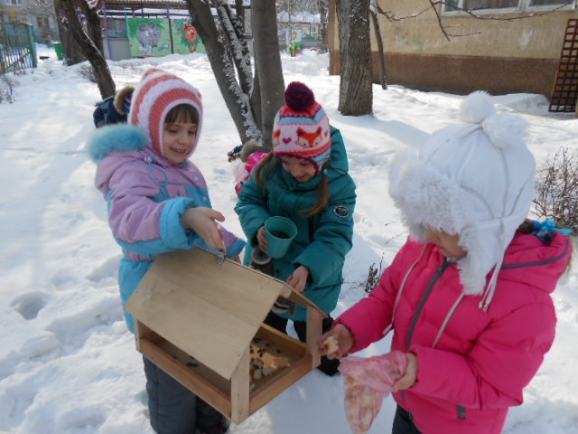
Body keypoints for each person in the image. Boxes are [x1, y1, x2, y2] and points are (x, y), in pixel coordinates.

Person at [318, 91, 573, 434]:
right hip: (408, 402)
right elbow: (389, 296)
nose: (430, 232)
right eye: (425, 217)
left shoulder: (525, 305)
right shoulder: (427, 246)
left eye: (445, 223)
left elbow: (493, 386)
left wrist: (418, 369)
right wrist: (351, 331)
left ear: (486, 228)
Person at [88, 68, 244, 434]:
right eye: (173, 130)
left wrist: (232, 247)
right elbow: (130, 223)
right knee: (173, 386)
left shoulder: (186, 170)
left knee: (207, 370)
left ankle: (212, 425)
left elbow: (202, 223)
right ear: (148, 125)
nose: (184, 140)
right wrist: (183, 215)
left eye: (192, 131)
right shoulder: (129, 169)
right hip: (156, 300)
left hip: (194, 293)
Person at [235, 81, 357, 376]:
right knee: (268, 332)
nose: (294, 172)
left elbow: (336, 236)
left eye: (304, 165)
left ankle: (324, 357)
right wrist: (259, 226)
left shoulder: (338, 186)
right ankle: (268, 357)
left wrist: (308, 268)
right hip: (269, 273)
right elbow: (248, 199)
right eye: (287, 163)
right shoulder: (269, 169)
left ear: (322, 156)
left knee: (319, 345)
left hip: (313, 285)